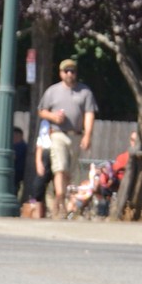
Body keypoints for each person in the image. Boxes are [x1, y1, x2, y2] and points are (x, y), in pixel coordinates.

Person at [37, 58, 97, 219]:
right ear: (61, 73)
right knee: (60, 167)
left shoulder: (85, 92)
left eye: (73, 71)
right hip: (58, 134)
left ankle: (63, 198)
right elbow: (41, 111)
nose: (70, 74)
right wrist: (53, 117)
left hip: (76, 135)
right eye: (66, 71)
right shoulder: (52, 91)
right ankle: (60, 199)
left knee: (70, 173)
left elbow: (89, 114)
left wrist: (88, 135)